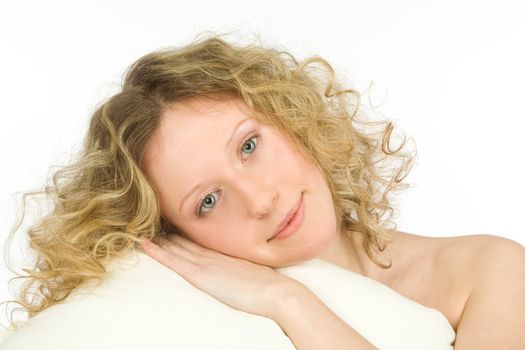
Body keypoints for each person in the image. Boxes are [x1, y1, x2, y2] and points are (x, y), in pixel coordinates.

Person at [2, 32, 525, 349]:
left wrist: (290, 303)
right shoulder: (197, 316)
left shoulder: (489, 270)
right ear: (177, 235)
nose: (260, 201)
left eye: (249, 146)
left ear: (291, 116)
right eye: (208, 201)